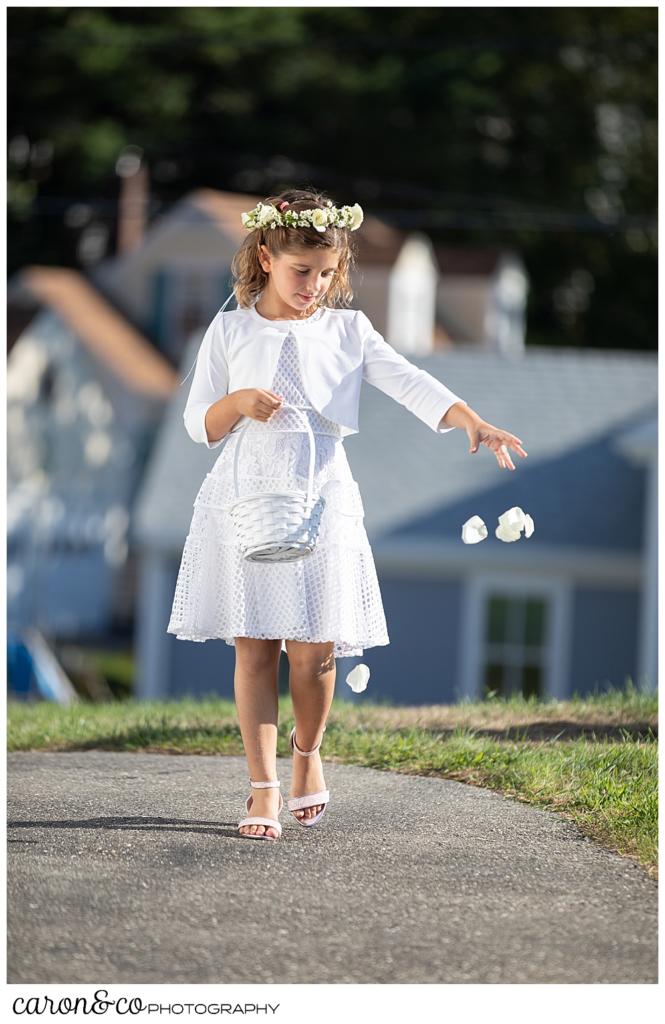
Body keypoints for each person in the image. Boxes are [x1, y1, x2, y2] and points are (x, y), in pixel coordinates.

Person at [166, 188, 527, 842]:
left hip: (322, 498)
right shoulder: (230, 329)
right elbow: (199, 424)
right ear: (266, 255)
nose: (314, 286)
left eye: (326, 273)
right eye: (302, 271)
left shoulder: (347, 329)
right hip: (246, 496)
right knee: (255, 649)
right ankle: (261, 784)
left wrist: (467, 419)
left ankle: (306, 756)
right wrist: (238, 401)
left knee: (315, 650)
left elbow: (408, 379)